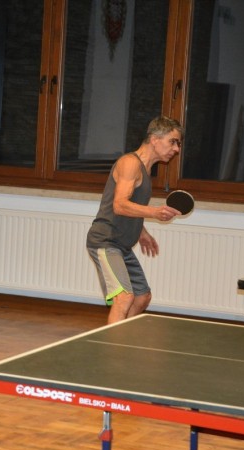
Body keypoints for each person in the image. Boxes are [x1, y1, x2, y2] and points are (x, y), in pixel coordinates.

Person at [86, 116, 184, 325]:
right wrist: (154, 212)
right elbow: (119, 205)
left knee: (142, 297)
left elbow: (130, 207)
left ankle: (121, 336)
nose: (176, 149)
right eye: (173, 142)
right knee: (124, 297)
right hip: (105, 240)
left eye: (178, 144)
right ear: (155, 139)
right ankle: (115, 344)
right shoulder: (130, 163)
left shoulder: (146, 170)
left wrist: (141, 232)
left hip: (122, 245)